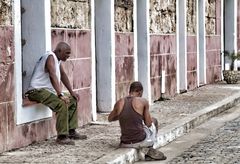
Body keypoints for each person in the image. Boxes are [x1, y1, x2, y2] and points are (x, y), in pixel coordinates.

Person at [25, 42, 87, 145]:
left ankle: (71, 131)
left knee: (72, 100)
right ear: (59, 51)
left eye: (69, 53)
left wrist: (72, 92)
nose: (68, 56)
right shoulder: (50, 57)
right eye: (67, 53)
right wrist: (60, 94)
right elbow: (52, 75)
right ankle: (62, 137)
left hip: (46, 91)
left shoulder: (57, 60)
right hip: (36, 91)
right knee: (61, 103)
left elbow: (62, 75)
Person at [108, 81, 167, 161]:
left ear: (130, 91)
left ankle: (146, 148)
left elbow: (110, 119)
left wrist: (123, 116)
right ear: (140, 92)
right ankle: (149, 149)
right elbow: (148, 123)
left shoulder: (119, 102)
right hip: (141, 140)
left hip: (125, 143)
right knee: (154, 121)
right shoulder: (143, 101)